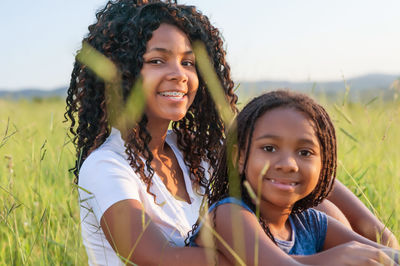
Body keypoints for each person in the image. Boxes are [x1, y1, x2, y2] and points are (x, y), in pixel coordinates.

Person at [65, 0, 397, 265]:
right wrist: (316, 260)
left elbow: (309, 177)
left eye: (189, 62)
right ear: (121, 73)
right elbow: (157, 257)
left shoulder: (197, 150)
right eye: (157, 61)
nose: (179, 74)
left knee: (310, 206)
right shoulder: (106, 166)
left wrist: (380, 240)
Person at [188, 90, 399, 265]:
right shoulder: (228, 214)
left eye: (305, 152)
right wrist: (337, 257)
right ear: (239, 158)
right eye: (269, 148)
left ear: (323, 166)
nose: (288, 164)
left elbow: (381, 253)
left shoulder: (311, 224)